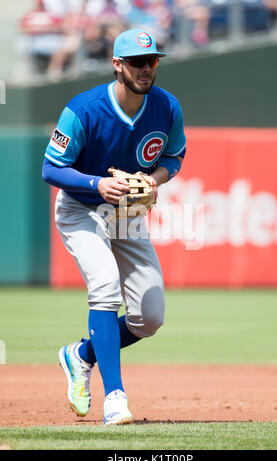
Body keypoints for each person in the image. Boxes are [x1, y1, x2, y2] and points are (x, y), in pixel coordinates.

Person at [42, 28, 186, 425]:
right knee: (104, 283)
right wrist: (97, 183)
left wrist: (153, 181)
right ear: (117, 65)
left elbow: (174, 157)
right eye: (138, 62)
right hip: (81, 207)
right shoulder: (84, 108)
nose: (146, 69)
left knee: (149, 316)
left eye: (152, 61)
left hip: (126, 213)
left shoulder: (167, 107)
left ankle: (81, 354)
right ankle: (115, 398)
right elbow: (50, 167)